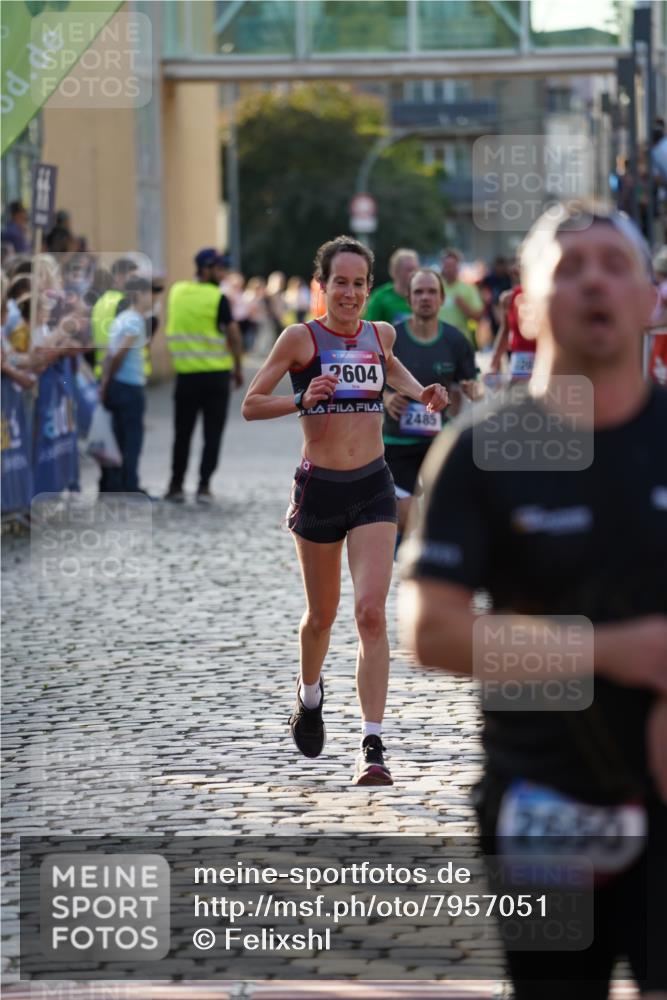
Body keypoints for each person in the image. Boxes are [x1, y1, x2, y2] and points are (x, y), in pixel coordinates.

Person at [401, 203, 667, 999]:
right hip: (541, 806)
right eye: (569, 267)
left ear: (652, 297)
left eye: (614, 266)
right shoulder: (482, 449)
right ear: (522, 305)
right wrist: (607, 652)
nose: (594, 282)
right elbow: (432, 633)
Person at [242, 235, 448, 786]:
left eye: (360, 283)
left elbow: (392, 367)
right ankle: (309, 698)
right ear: (322, 286)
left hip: (373, 487)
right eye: (341, 282)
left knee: (372, 614)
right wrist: (301, 400)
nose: (351, 293)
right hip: (320, 490)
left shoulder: (380, 334)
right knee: (321, 617)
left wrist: (422, 390)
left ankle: (372, 745)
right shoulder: (300, 339)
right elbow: (250, 404)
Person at [383, 267, 477, 546]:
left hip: (440, 442)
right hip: (398, 442)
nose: (425, 297)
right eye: (419, 292)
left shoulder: (457, 340)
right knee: (405, 518)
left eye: (431, 292)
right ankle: (409, 569)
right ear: (409, 298)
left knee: (443, 517)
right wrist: (387, 398)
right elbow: (370, 384)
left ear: (442, 297)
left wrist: (474, 389)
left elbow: (473, 383)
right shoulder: (391, 338)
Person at [164, 247, 243, 504]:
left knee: (182, 433)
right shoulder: (216, 298)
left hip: (186, 377)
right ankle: (203, 486)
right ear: (207, 268)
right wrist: (238, 367)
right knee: (212, 434)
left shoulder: (176, 292)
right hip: (215, 376)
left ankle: (175, 485)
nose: (223, 274)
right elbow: (233, 334)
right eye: (220, 268)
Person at [99, 277, 153, 493]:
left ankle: (115, 483)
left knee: (118, 437)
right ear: (138, 295)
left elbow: (109, 354)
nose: (151, 298)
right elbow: (120, 353)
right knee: (132, 439)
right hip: (128, 386)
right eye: (148, 293)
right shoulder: (134, 319)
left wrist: (106, 382)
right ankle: (130, 485)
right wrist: (110, 377)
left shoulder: (121, 317)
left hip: (118, 385)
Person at [439, 247, 484, 348]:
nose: (449, 270)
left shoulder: (468, 288)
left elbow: (479, 317)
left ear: (458, 267)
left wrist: (464, 307)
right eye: (446, 266)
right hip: (438, 343)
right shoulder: (435, 287)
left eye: (452, 266)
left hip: (461, 342)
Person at [365, 248, 418, 326]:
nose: (413, 273)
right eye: (408, 270)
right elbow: (369, 328)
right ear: (396, 271)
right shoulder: (380, 298)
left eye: (415, 269)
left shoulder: (422, 297)